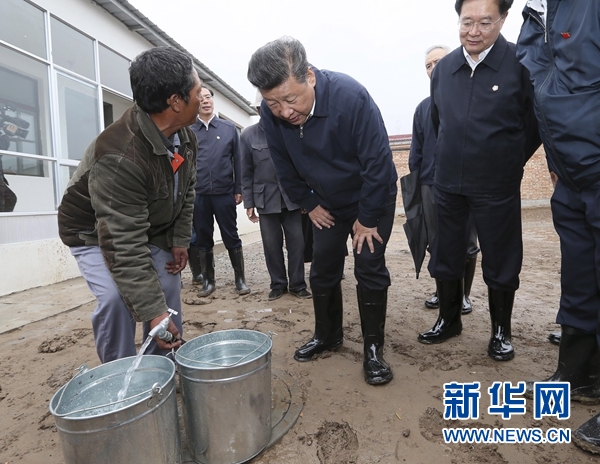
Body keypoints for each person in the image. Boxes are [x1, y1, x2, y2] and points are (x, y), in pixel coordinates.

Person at [247, 36, 398, 385]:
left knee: (369, 266)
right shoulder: (271, 115)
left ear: (310, 77)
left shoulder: (351, 98)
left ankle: (373, 349)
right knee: (323, 269)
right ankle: (327, 334)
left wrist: (367, 219)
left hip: (369, 196)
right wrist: (309, 203)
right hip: (325, 202)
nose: (285, 111)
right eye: (273, 103)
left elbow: (378, 164)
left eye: (290, 99)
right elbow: (283, 166)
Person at [57, 46, 200, 363]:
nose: (202, 97)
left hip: (149, 224)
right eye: (197, 90)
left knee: (168, 286)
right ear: (175, 102)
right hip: (94, 232)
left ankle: (160, 366)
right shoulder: (119, 155)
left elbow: (187, 190)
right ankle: (119, 372)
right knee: (116, 299)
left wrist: (179, 239)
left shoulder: (186, 138)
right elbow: (123, 243)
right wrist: (153, 312)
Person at [417, 0, 540, 362]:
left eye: (485, 23)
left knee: (501, 258)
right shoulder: (445, 69)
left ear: (503, 19)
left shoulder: (520, 63)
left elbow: (533, 124)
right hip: (448, 183)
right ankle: (449, 319)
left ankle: (501, 331)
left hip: (497, 184)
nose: (473, 32)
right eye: (466, 22)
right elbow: (439, 122)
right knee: (446, 253)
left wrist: (508, 160)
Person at [517, 0, 600, 453]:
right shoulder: (535, 16)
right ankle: (577, 373)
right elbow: (541, 97)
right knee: (580, 277)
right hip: (570, 177)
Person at [408, 45, 479, 315]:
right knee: (437, 243)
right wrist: (417, 186)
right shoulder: (422, 109)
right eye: (428, 65)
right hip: (430, 184)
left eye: (438, 61)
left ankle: (463, 296)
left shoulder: (472, 99)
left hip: (465, 183)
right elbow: (416, 152)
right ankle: (443, 292)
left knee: (467, 242)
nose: (432, 68)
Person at [241, 92, 312, 301]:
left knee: (297, 244)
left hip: (291, 199)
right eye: (263, 107)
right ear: (258, 110)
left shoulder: (290, 130)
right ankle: (278, 284)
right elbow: (245, 171)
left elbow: (303, 167)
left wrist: (305, 197)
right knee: (271, 245)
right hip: (265, 200)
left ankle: (298, 284)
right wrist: (249, 202)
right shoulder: (248, 135)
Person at [190, 87, 250, 297]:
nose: (205, 101)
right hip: (199, 194)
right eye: (200, 98)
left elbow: (238, 160)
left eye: (208, 97)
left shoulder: (228, 128)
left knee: (231, 235)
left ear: (212, 101)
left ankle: (240, 280)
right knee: (203, 238)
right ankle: (208, 281)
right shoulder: (189, 130)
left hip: (224, 193)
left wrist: (238, 188)